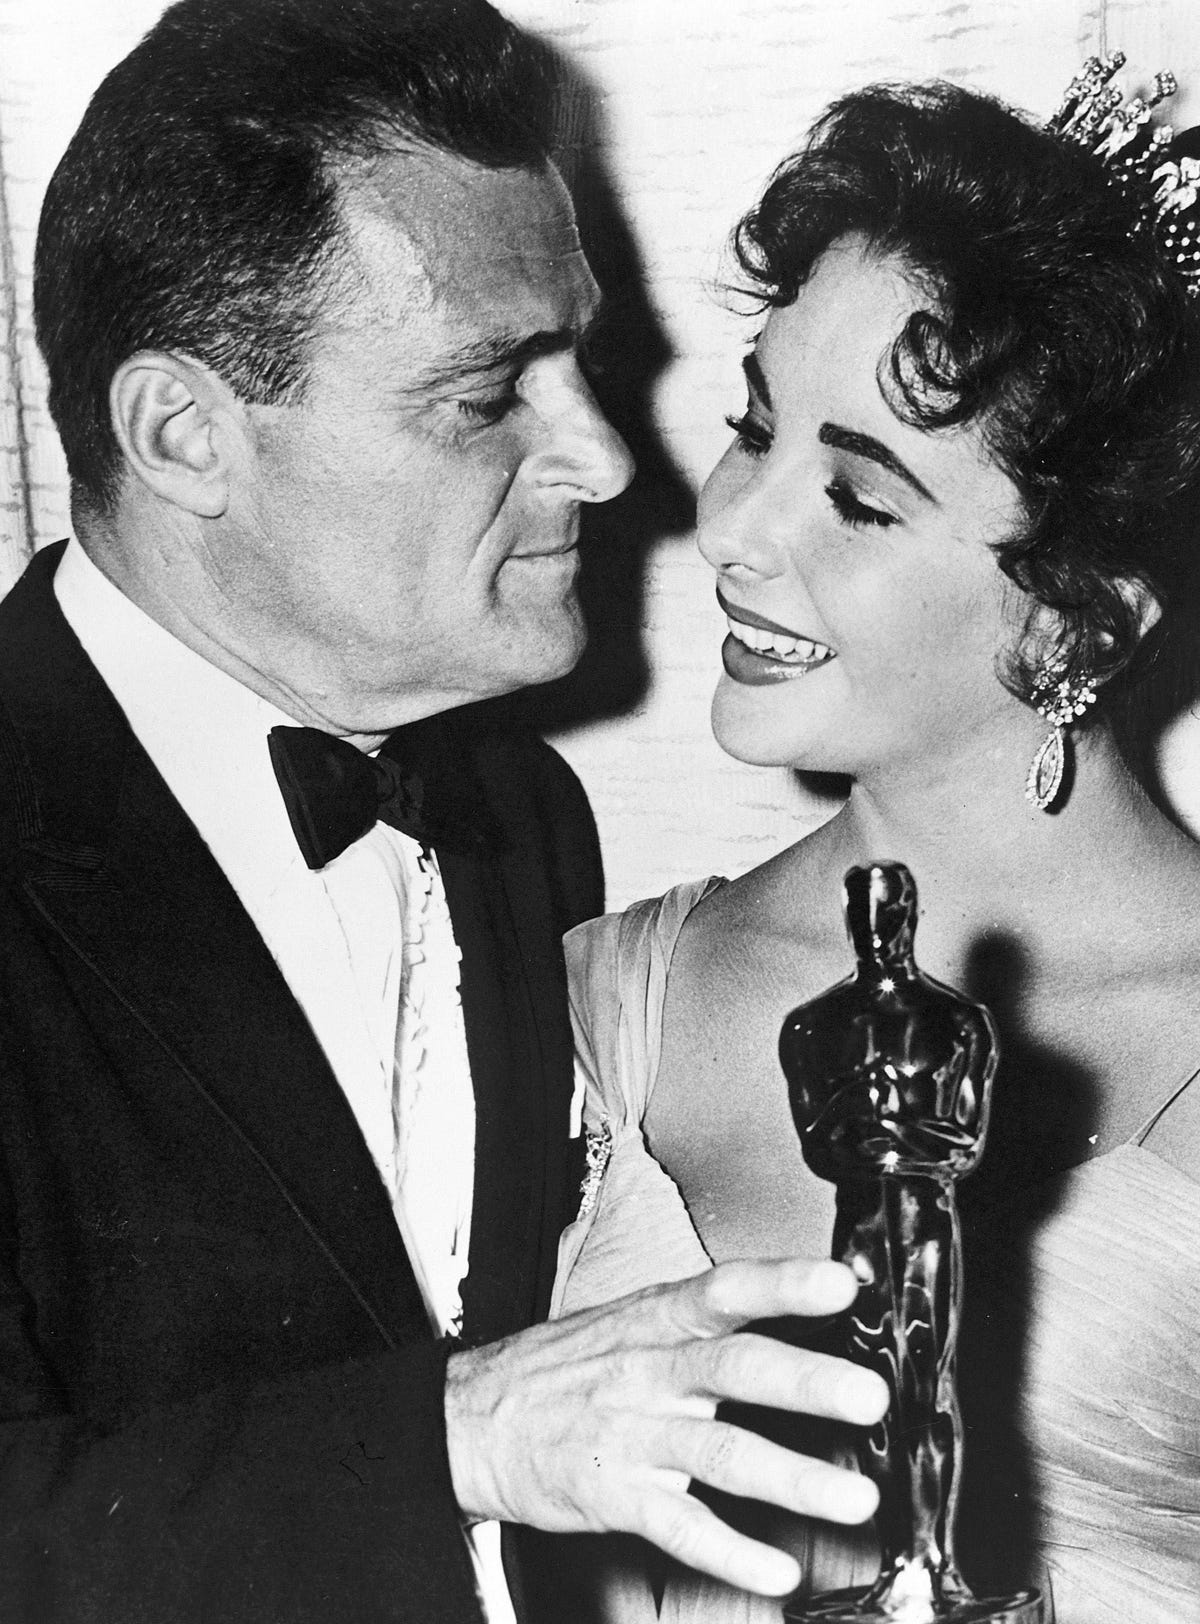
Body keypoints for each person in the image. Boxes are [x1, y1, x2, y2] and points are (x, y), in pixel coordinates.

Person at [0, 2, 894, 1620]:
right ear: (184, 433)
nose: (608, 460)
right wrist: (460, 1436)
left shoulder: (510, 806)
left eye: (584, 359)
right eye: (490, 396)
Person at [557, 76, 1200, 1623]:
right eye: (754, 430)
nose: (730, 528)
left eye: (854, 496)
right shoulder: (597, 993)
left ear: (1077, 619)